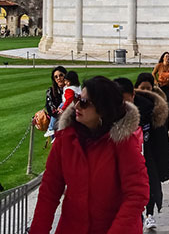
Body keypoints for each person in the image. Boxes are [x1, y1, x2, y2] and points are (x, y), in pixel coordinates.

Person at [29, 76, 150, 234]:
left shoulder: (123, 142)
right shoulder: (65, 139)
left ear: (102, 109)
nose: (77, 105)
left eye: (84, 103)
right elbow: (49, 192)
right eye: (78, 99)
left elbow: (137, 193)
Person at [114, 77, 169, 231]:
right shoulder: (109, 113)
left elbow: (161, 142)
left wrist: (164, 167)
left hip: (145, 161)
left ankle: (148, 214)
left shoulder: (150, 110)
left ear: (132, 94)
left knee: (145, 191)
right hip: (120, 169)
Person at [44, 65, 66, 139]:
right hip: (56, 125)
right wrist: (59, 113)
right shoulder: (51, 91)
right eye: (56, 77)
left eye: (61, 75)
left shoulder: (72, 90)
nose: (58, 78)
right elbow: (50, 108)